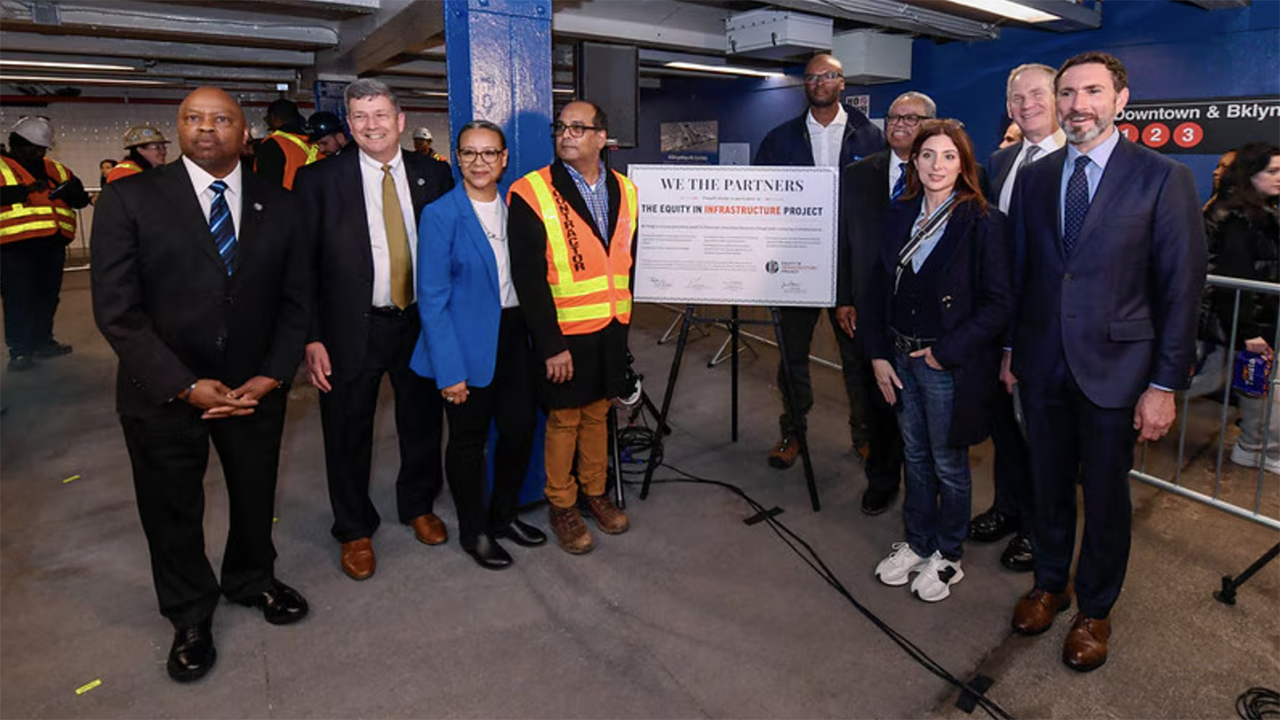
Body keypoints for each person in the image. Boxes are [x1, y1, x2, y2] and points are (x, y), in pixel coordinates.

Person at [90, 86, 311, 684]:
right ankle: (189, 613)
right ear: (178, 128)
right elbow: (117, 312)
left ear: (245, 134)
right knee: (171, 510)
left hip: (252, 390)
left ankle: (252, 578)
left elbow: (297, 301)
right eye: (193, 118)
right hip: (162, 391)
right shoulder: (131, 199)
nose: (205, 128)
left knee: (254, 493)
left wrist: (271, 375)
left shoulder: (280, 204)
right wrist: (186, 386)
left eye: (221, 120)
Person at [1006, 52, 1205, 672]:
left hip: (1118, 372)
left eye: (1092, 91)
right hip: (1043, 366)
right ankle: (1050, 582)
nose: (1076, 105)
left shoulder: (1162, 177)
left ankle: (1094, 606)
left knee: (1106, 495)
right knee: (1047, 486)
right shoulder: (1037, 179)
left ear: (1121, 99)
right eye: (1067, 94)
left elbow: (1181, 291)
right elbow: (1024, 275)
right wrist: (1013, 350)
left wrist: (1164, 384)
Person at [295, 78, 455, 581]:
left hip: (418, 324)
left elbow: (450, 252)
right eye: (361, 117)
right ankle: (354, 527)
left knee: (423, 421)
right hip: (349, 326)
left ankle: (417, 505)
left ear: (400, 121)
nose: (372, 125)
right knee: (346, 429)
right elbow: (302, 266)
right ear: (349, 124)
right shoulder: (318, 181)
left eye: (381, 115)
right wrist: (312, 336)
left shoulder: (435, 174)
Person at [863, 119, 1013, 602]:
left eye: (949, 156)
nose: (937, 165)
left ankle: (948, 554)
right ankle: (918, 541)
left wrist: (946, 353)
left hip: (945, 364)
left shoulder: (983, 220)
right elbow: (873, 290)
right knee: (915, 458)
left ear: (964, 163)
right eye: (928, 155)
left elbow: (998, 303)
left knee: (949, 464)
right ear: (915, 160)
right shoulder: (898, 212)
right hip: (899, 357)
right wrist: (878, 355)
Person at [411, 120, 546, 570]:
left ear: (504, 159)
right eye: (469, 153)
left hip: (512, 337)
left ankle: (504, 516)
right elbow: (431, 299)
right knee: (468, 442)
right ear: (458, 158)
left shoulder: (517, 208)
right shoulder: (441, 214)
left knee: (520, 429)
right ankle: (475, 531)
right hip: (463, 342)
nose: (479, 162)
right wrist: (449, 372)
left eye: (489, 153)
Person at [508, 100, 635, 555]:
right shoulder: (531, 191)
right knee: (564, 419)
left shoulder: (626, 190)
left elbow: (624, 261)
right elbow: (528, 278)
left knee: (600, 413)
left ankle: (594, 494)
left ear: (602, 138)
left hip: (611, 326)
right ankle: (562, 504)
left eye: (578, 128)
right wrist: (550, 344)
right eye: (561, 127)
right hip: (563, 334)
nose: (566, 134)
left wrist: (623, 326)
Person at [755, 52, 886, 470]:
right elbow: (762, 199)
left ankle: (864, 436)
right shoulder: (780, 139)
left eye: (828, 76)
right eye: (811, 78)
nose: (819, 83)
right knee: (792, 357)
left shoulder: (871, 138)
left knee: (858, 359)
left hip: (854, 267)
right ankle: (792, 432)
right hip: (797, 262)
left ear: (842, 83)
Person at [975, 63, 1068, 573]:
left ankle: (1038, 530)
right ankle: (1007, 509)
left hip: (1049, 331)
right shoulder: (1000, 161)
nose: (1026, 103)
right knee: (1004, 432)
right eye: (1017, 97)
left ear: (1058, 100)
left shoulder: (1074, 162)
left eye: (1037, 94)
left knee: (1043, 439)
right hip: (999, 323)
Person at [837, 90, 936, 515]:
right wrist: (843, 297)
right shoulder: (859, 174)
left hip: (928, 315)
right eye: (895, 116)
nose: (899, 124)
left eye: (912, 119)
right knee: (880, 403)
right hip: (870, 309)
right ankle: (881, 480)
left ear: (930, 126)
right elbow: (843, 241)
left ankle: (926, 486)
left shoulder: (949, 174)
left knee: (928, 408)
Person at [1204, 142, 1280, 474]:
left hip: (1255, 320)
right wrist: (1249, 332)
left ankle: (1255, 446)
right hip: (1238, 322)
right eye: (1273, 171)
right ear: (1251, 174)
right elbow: (1232, 279)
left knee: (1258, 388)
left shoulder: (1266, 212)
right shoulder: (1235, 217)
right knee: (1198, 379)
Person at [0, 116, 90, 371]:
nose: (38, 153)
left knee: (47, 297)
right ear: (16, 145)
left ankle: (42, 342)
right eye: (33, 148)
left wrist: (70, 193)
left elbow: (80, 198)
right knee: (19, 299)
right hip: (14, 247)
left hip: (51, 245)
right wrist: (23, 192)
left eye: (42, 148)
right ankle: (19, 351)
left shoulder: (55, 169)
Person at [255, 98, 318, 190]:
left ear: (274, 117)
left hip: (286, 202)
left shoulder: (272, 144)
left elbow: (267, 186)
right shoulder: (316, 143)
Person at [106, 126, 170, 183]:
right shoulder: (123, 174)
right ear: (140, 150)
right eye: (157, 148)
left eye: (164, 147)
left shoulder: (147, 171)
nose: (163, 152)